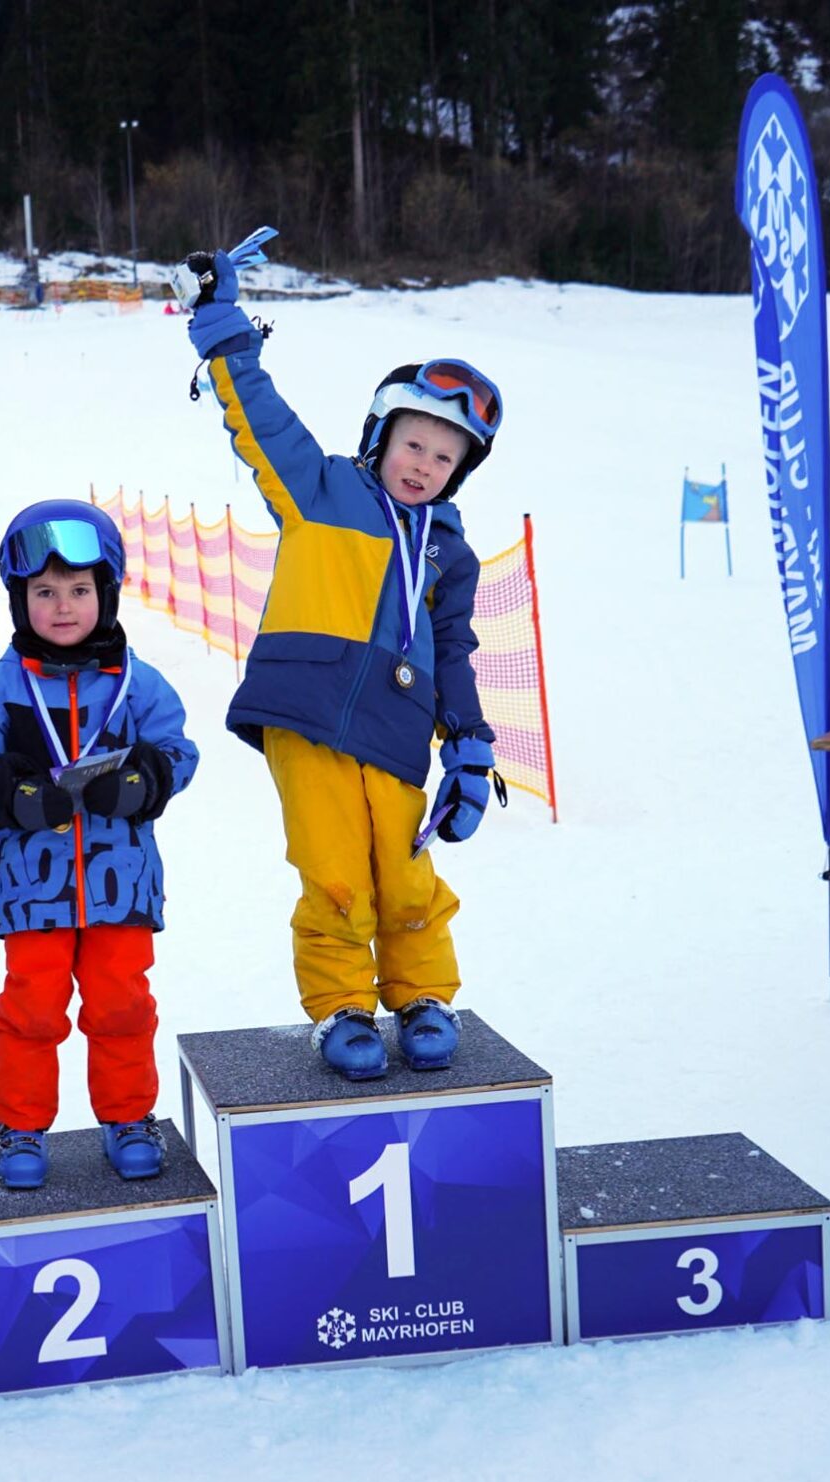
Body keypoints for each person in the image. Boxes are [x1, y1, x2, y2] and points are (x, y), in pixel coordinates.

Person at [180, 232, 506, 1082]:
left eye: (445, 457)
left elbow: (454, 651)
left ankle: (422, 995)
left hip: (397, 732)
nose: (425, 466)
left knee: (406, 875)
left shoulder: (449, 554)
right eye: (414, 444)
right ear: (380, 435)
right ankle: (343, 1005)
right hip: (308, 717)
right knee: (334, 874)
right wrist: (221, 323)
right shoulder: (320, 489)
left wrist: (471, 745)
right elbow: (258, 417)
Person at [0, 501, 199, 1190]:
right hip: (35, 891)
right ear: (18, 598)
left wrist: (146, 780)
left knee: (122, 1004)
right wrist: (12, 794)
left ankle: (129, 1117)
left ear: (106, 594)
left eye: (80, 590)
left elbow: (179, 750)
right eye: (45, 591)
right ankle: (19, 1125)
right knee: (31, 1007)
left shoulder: (137, 684)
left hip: (122, 884)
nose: (63, 607)